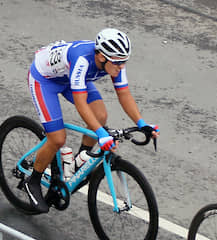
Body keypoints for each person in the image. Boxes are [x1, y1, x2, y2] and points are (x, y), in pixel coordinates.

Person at [22, 29, 159, 212]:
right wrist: (101, 134)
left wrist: (142, 123)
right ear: (101, 57)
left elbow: (124, 93)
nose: (122, 67)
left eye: (124, 61)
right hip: (44, 81)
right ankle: (33, 181)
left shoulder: (114, 62)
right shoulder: (82, 60)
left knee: (101, 116)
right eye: (118, 63)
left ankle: (79, 162)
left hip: (69, 78)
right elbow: (80, 103)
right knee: (57, 138)